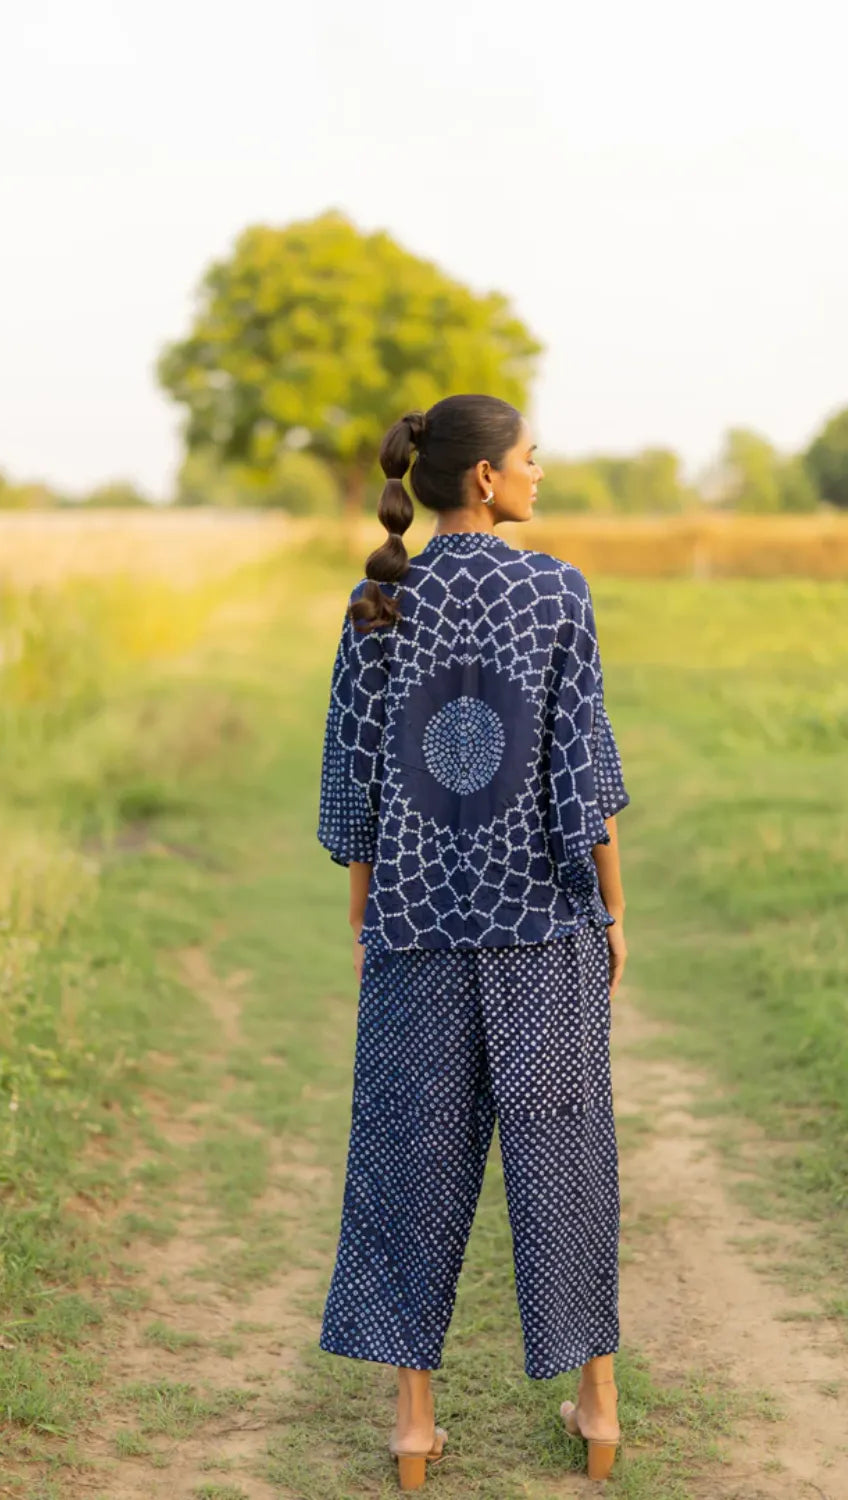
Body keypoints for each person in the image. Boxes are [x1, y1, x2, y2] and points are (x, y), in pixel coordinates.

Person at [315, 393, 629, 1489]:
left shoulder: (379, 598)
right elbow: (579, 772)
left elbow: (355, 775)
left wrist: (365, 916)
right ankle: (595, 1411)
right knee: (566, 1156)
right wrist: (613, 907)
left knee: (409, 1156)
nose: (541, 475)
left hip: (414, 926)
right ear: (485, 480)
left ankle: (411, 1429)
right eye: (531, 461)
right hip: (542, 921)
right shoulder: (556, 590)